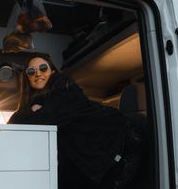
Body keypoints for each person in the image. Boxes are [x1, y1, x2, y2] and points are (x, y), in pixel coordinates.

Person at [8, 52, 143, 189]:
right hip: (93, 161)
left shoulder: (63, 85)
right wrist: (30, 109)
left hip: (122, 146)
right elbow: (13, 124)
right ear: (27, 78)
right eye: (31, 71)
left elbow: (41, 121)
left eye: (43, 68)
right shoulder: (38, 101)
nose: (38, 73)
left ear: (53, 70)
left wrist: (34, 112)